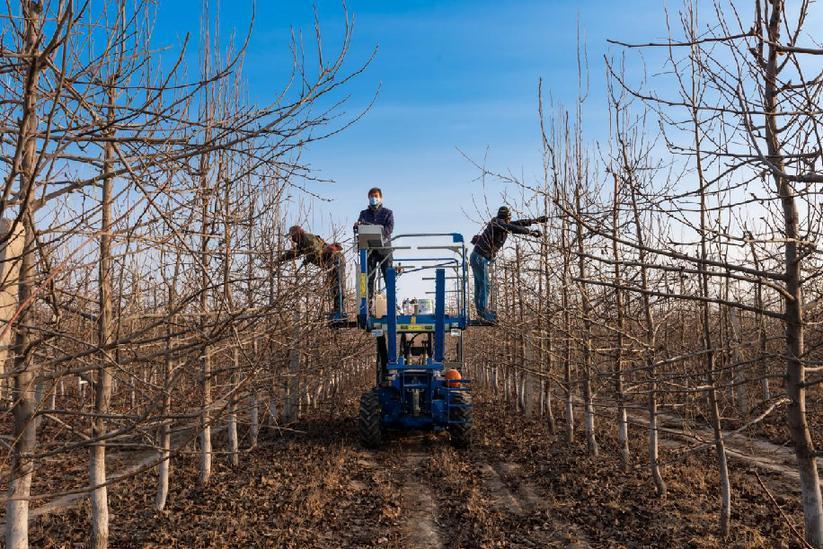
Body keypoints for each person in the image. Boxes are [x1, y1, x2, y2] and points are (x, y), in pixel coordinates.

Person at [470, 206, 547, 323]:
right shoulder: (498, 223)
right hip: (479, 258)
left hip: (477, 257)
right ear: (507, 217)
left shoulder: (499, 223)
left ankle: (481, 312)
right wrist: (530, 232)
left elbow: (517, 224)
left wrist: (535, 221)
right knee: (484, 285)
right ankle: (483, 313)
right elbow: (511, 227)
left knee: (480, 285)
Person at [277, 225, 346, 316]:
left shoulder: (308, 239)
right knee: (333, 285)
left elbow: (318, 253)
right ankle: (338, 309)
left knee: (337, 284)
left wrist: (309, 258)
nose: (292, 239)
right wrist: (279, 259)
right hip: (330, 262)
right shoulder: (303, 243)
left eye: (293, 236)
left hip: (335, 259)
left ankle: (339, 310)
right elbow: (293, 253)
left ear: (298, 234)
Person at [355, 187, 395, 301]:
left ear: (380, 198)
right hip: (369, 250)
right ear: (368, 198)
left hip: (384, 250)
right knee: (367, 278)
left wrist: (378, 232)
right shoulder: (364, 214)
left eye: (376, 196)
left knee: (389, 277)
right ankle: (366, 305)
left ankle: (392, 305)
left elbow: (389, 228)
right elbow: (360, 227)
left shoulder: (388, 213)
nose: (374, 198)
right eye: (372, 196)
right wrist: (357, 225)